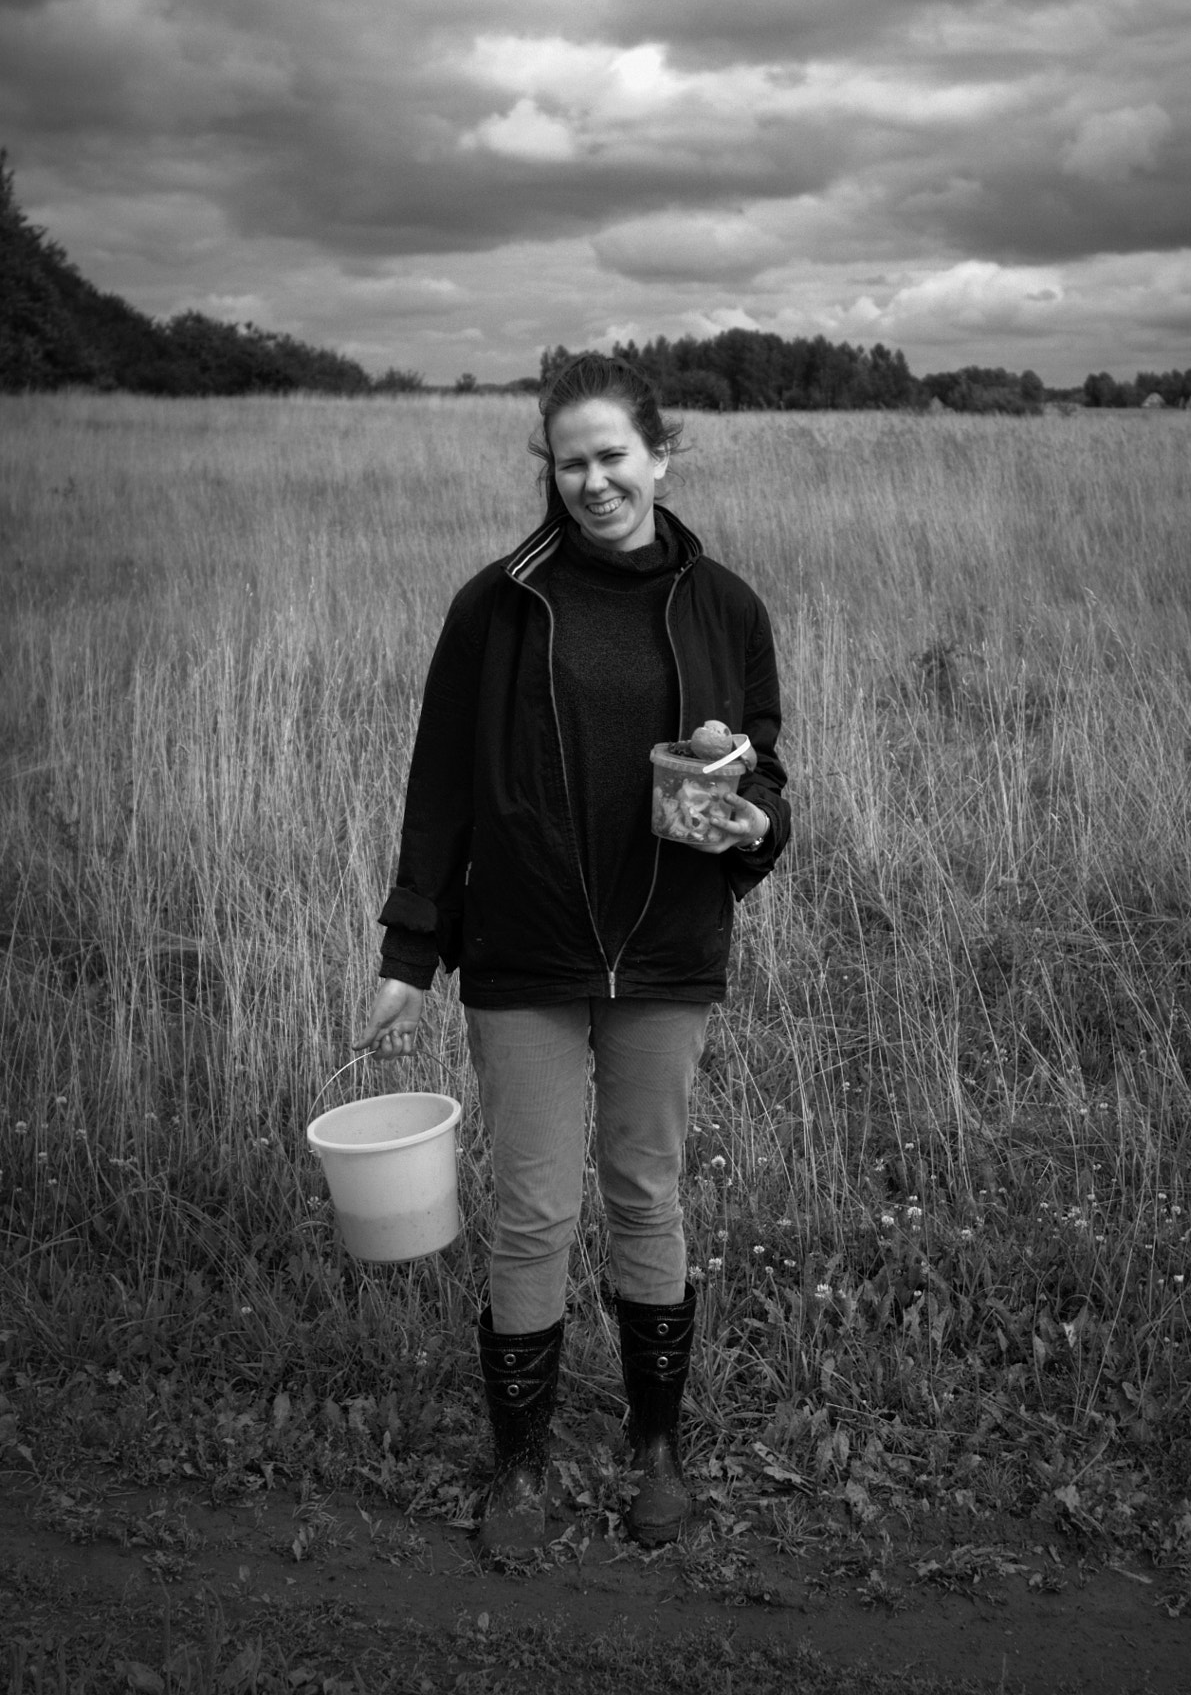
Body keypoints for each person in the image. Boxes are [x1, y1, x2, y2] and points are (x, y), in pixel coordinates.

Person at [358, 353, 790, 1553]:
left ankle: (655, 1444)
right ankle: (521, 1464)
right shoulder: (496, 603)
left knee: (647, 1188)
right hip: (525, 948)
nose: (593, 479)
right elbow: (440, 784)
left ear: (661, 455)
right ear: (547, 471)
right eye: (570, 460)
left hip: (666, 945)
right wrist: (410, 946)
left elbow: (765, 773)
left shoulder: (727, 606)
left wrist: (757, 823)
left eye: (613, 455)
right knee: (532, 1208)